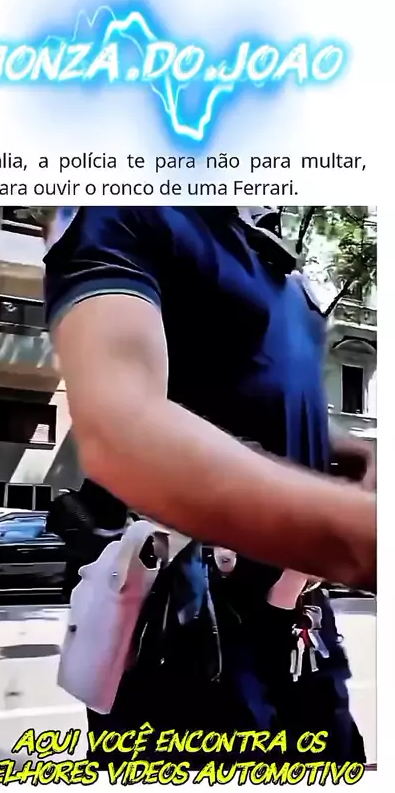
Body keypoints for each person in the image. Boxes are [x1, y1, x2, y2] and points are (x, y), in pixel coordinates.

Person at [43, 205, 375, 764]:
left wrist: (346, 452)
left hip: (301, 626)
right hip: (193, 632)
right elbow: (122, 427)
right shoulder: (128, 215)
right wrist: (353, 533)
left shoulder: (284, 271)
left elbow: (264, 408)